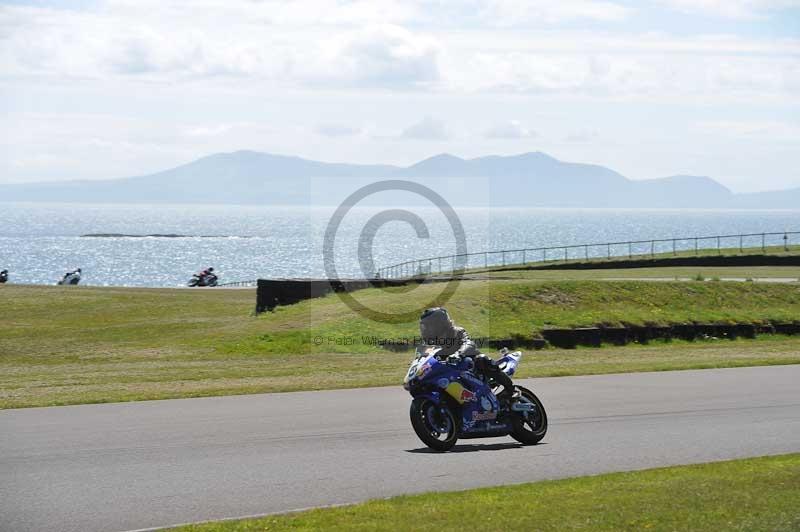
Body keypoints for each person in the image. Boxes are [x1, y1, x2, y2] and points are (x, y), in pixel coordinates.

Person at [419, 307, 515, 402]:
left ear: (439, 323)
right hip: (450, 373)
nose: (426, 329)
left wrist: (459, 354)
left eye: (429, 326)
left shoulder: (457, 332)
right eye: (424, 326)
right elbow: (424, 356)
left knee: (482, 359)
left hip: (471, 367)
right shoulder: (430, 343)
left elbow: (468, 343)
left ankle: (510, 389)